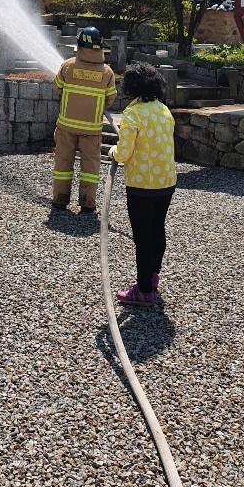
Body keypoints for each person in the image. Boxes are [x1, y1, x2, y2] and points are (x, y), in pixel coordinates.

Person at [108, 62, 176, 306]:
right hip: (166, 182)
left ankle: (143, 290)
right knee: (157, 229)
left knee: (142, 237)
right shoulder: (164, 111)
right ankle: (153, 275)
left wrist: (113, 152)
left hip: (142, 185)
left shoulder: (133, 114)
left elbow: (124, 152)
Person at [52, 26, 116, 213]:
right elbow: (110, 99)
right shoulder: (107, 72)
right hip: (91, 129)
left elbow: (57, 88)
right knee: (90, 167)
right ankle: (88, 203)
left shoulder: (67, 66)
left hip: (66, 126)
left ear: (79, 44)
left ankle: (60, 199)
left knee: (63, 163)